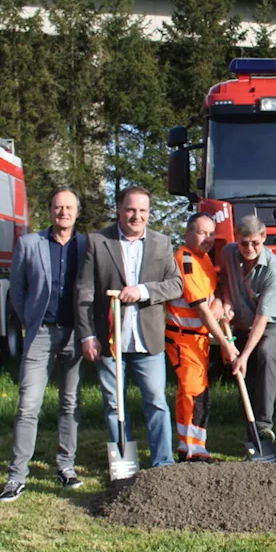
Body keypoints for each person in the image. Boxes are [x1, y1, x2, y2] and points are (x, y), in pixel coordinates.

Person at [77, 186, 183, 468]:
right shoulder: (98, 242)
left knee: (157, 402)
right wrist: (88, 335)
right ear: (120, 209)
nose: (137, 216)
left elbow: (176, 285)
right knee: (114, 406)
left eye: (143, 211)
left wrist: (144, 291)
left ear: (149, 213)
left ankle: (163, 462)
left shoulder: (161, 243)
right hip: (110, 341)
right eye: (131, 209)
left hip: (148, 341)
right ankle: (124, 464)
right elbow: (85, 292)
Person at [0, 187, 89, 502]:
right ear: (50, 211)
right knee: (28, 406)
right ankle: (16, 476)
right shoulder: (29, 244)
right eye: (58, 207)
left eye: (69, 207)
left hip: (75, 335)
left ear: (77, 212)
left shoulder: (87, 246)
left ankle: (66, 467)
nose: (63, 212)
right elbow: (18, 291)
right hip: (40, 335)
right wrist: (29, 322)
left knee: (70, 404)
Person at [165, 214, 237, 462]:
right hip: (183, 338)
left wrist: (219, 300)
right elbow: (201, 309)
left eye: (210, 234)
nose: (207, 239)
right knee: (193, 393)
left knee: (194, 391)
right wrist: (226, 345)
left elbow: (214, 290)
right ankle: (194, 450)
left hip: (199, 339)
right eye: (201, 233)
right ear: (188, 233)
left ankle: (189, 446)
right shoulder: (185, 260)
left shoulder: (204, 258)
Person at [218, 214, 276, 457]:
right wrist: (225, 301)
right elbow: (223, 278)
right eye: (244, 243)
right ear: (237, 239)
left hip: (268, 325)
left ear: (264, 238)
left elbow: (262, 318)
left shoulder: (273, 268)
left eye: (255, 243)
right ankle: (250, 426)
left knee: (265, 354)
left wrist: (244, 355)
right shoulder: (227, 253)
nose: (249, 248)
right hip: (239, 324)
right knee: (245, 374)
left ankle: (264, 427)